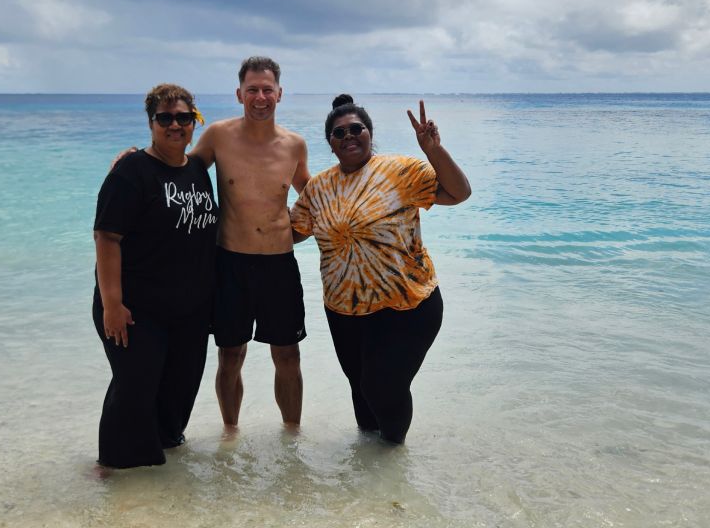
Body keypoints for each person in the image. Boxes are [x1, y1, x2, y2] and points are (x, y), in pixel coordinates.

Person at [290, 94, 471, 444]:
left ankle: (393, 465)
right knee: (361, 394)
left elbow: (458, 193)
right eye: (339, 133)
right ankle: (369, 479)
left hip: (408, 305)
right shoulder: (319, 188)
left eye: (356, 129)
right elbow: (294, 231)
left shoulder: (400, 171)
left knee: (382, 386)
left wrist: (433, 149)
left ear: (370, 133)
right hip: (344, 311)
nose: (349, 137)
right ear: (330, 144)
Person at [92, 83, 218, 468]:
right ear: (151, 123)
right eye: (165, 118)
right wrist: (112, 304)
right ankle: (115, 471)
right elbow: (107, 236)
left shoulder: (196, 169)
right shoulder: (132, 171)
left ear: (195, 122)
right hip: (135, 310)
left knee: (178, 392)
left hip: (188, 312)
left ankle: (163, 480)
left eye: (184, 117)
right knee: (134, 392)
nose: (175, 125)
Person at [190, 57, 310, 429]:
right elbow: (178, 174)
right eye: (253, 90)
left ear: (280, 93)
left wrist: (299, 234)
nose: (261, 97)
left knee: (288, 355)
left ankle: (292, 435)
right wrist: (135, 162)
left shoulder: (294, 145)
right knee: (230, 355)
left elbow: (318, 199)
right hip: (230, 263)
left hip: (279, 264)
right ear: (239, 93)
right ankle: (230, 432)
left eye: (267, 89)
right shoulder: (218, 136)